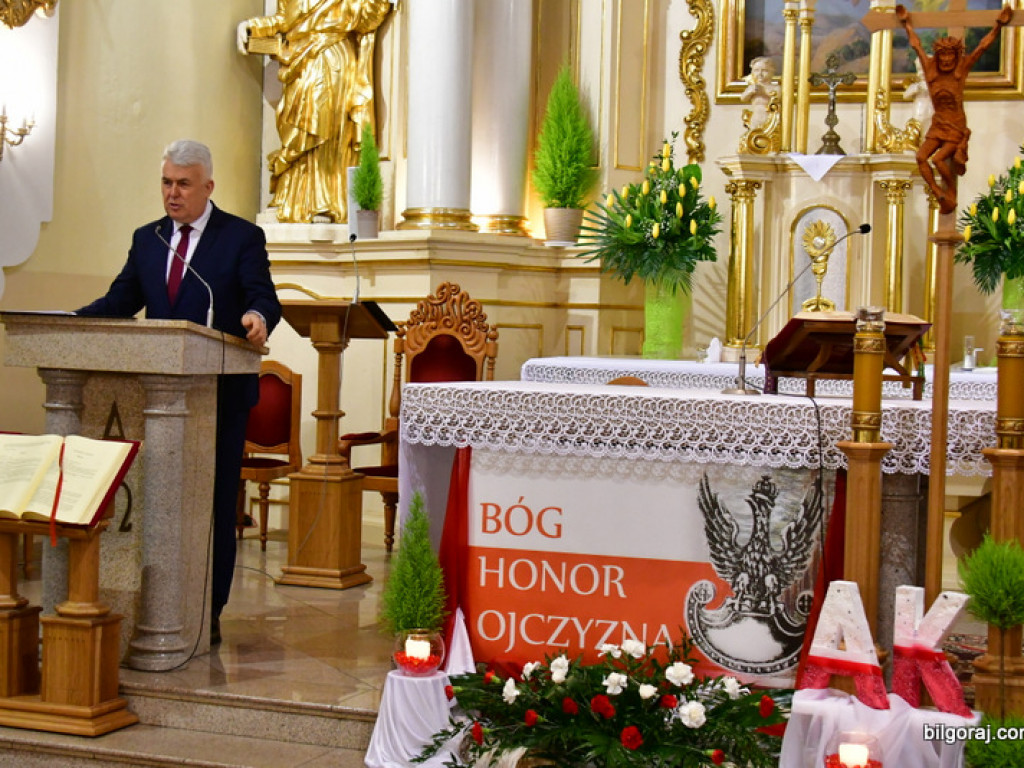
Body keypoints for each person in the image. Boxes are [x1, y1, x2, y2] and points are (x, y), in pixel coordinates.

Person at [77, 139, 282, 644]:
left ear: (208, 186)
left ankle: (206, 610)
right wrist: (72, 321)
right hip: (155, 399)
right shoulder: (149, 238)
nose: (173, 193)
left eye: (183, 184)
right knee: (157, 503)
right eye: (167, 183)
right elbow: (122, 299)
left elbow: (263, 296)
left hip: (219, 396)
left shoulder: (241, 237)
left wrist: (257, 317)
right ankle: (155, 603)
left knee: (212, 505)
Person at [237, 0, 392, 223]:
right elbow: (284, 20)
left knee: (325, 130)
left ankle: (326, 202)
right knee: (298, 131)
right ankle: (294, 201)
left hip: (333, 57)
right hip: (300, 64)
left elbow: (367, 18)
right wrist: (252, 27)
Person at [896, 3, 1012, 213]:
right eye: (943, 55)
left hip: (955, 125)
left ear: (956, 56)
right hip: (938, 124)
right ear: (938, 56)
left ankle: (950, 191)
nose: (947, 59)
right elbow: (916, 45)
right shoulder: (930, 70)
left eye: (951, 55)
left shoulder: (961, 70)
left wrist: (998, 26)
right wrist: (906, 24)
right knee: (921, 157)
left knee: (939, 160)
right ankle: (938, 191)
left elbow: (981, 48)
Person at [740, 56, 779, 132]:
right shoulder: (752, 87)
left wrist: (764, 92)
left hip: (770, 118)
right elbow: (743, 98)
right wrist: (750, 92)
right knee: (754, 135)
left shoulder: (775, 87)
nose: (760, 74)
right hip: (756, 116)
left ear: (772, 71)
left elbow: (777, 96)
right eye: (756, 70)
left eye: (764, 70)